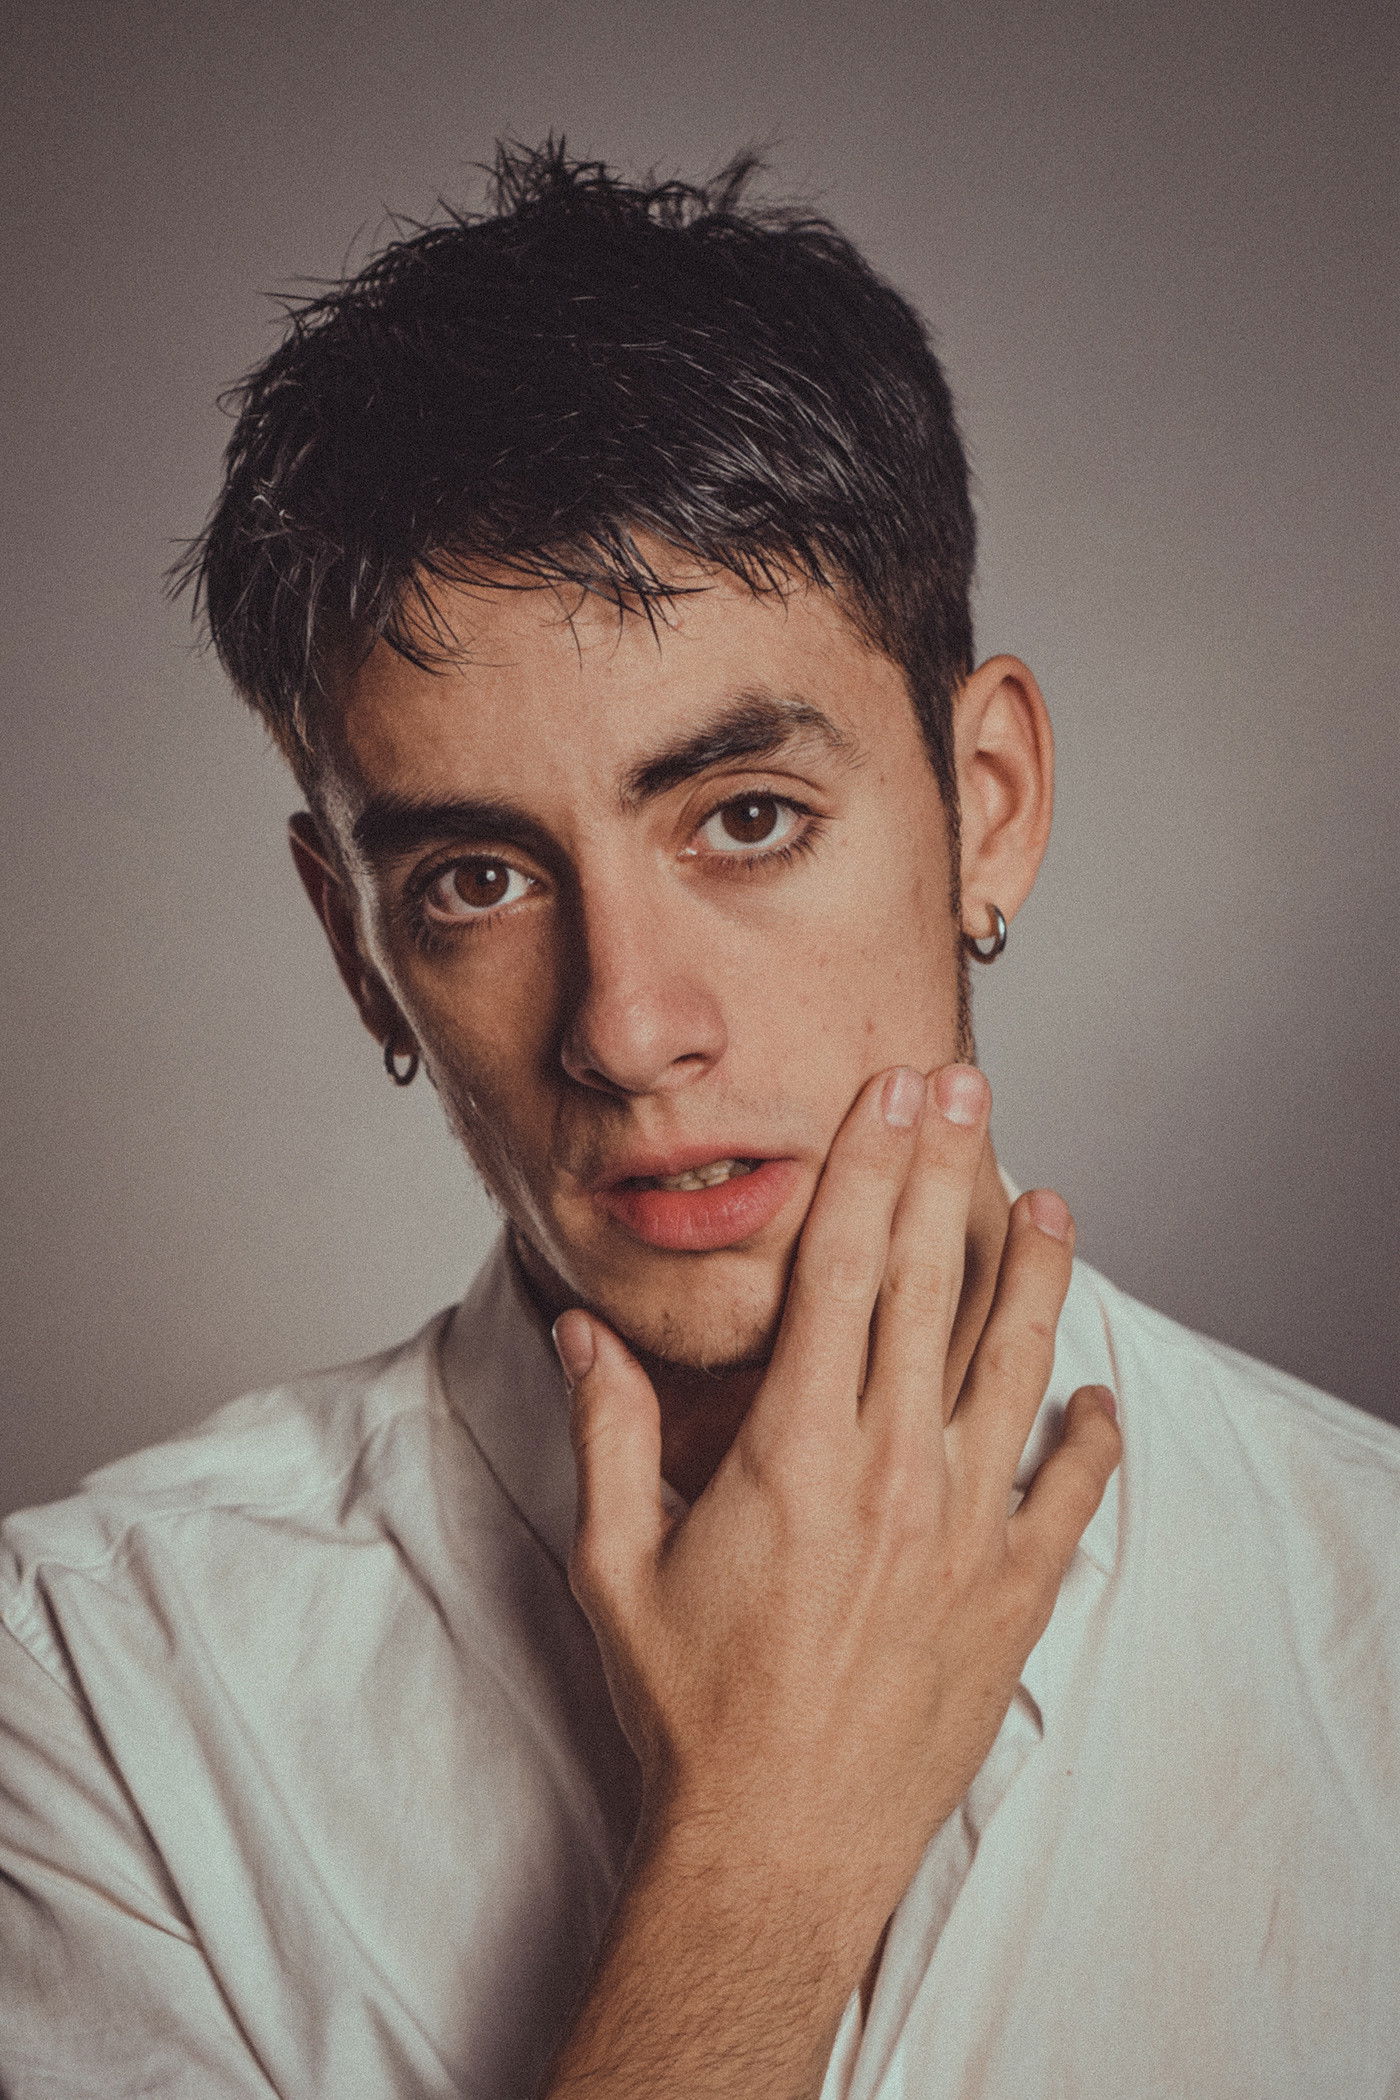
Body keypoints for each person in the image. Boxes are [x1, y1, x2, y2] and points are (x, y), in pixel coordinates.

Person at [0, 141, 1395, 2100]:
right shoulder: (92, 1687)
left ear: (987, 806)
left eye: (746, 818)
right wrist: (762, 1863)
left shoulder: (1372, 1607)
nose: (629, 1028)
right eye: (477, 879)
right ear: (357, 949)